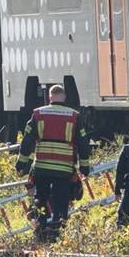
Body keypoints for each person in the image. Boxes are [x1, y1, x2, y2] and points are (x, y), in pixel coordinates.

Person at [16, 84, 91, 242]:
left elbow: (27, 140)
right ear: (64, 97)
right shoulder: (74, 116)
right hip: (64, 168)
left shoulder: (38, 114)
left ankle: (41, 231)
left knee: (41, 199)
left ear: (49, 97)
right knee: (61, 200)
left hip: (42, 167)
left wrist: (21, 164)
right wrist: (84, 167)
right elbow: (83, 143)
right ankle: (58, 233)